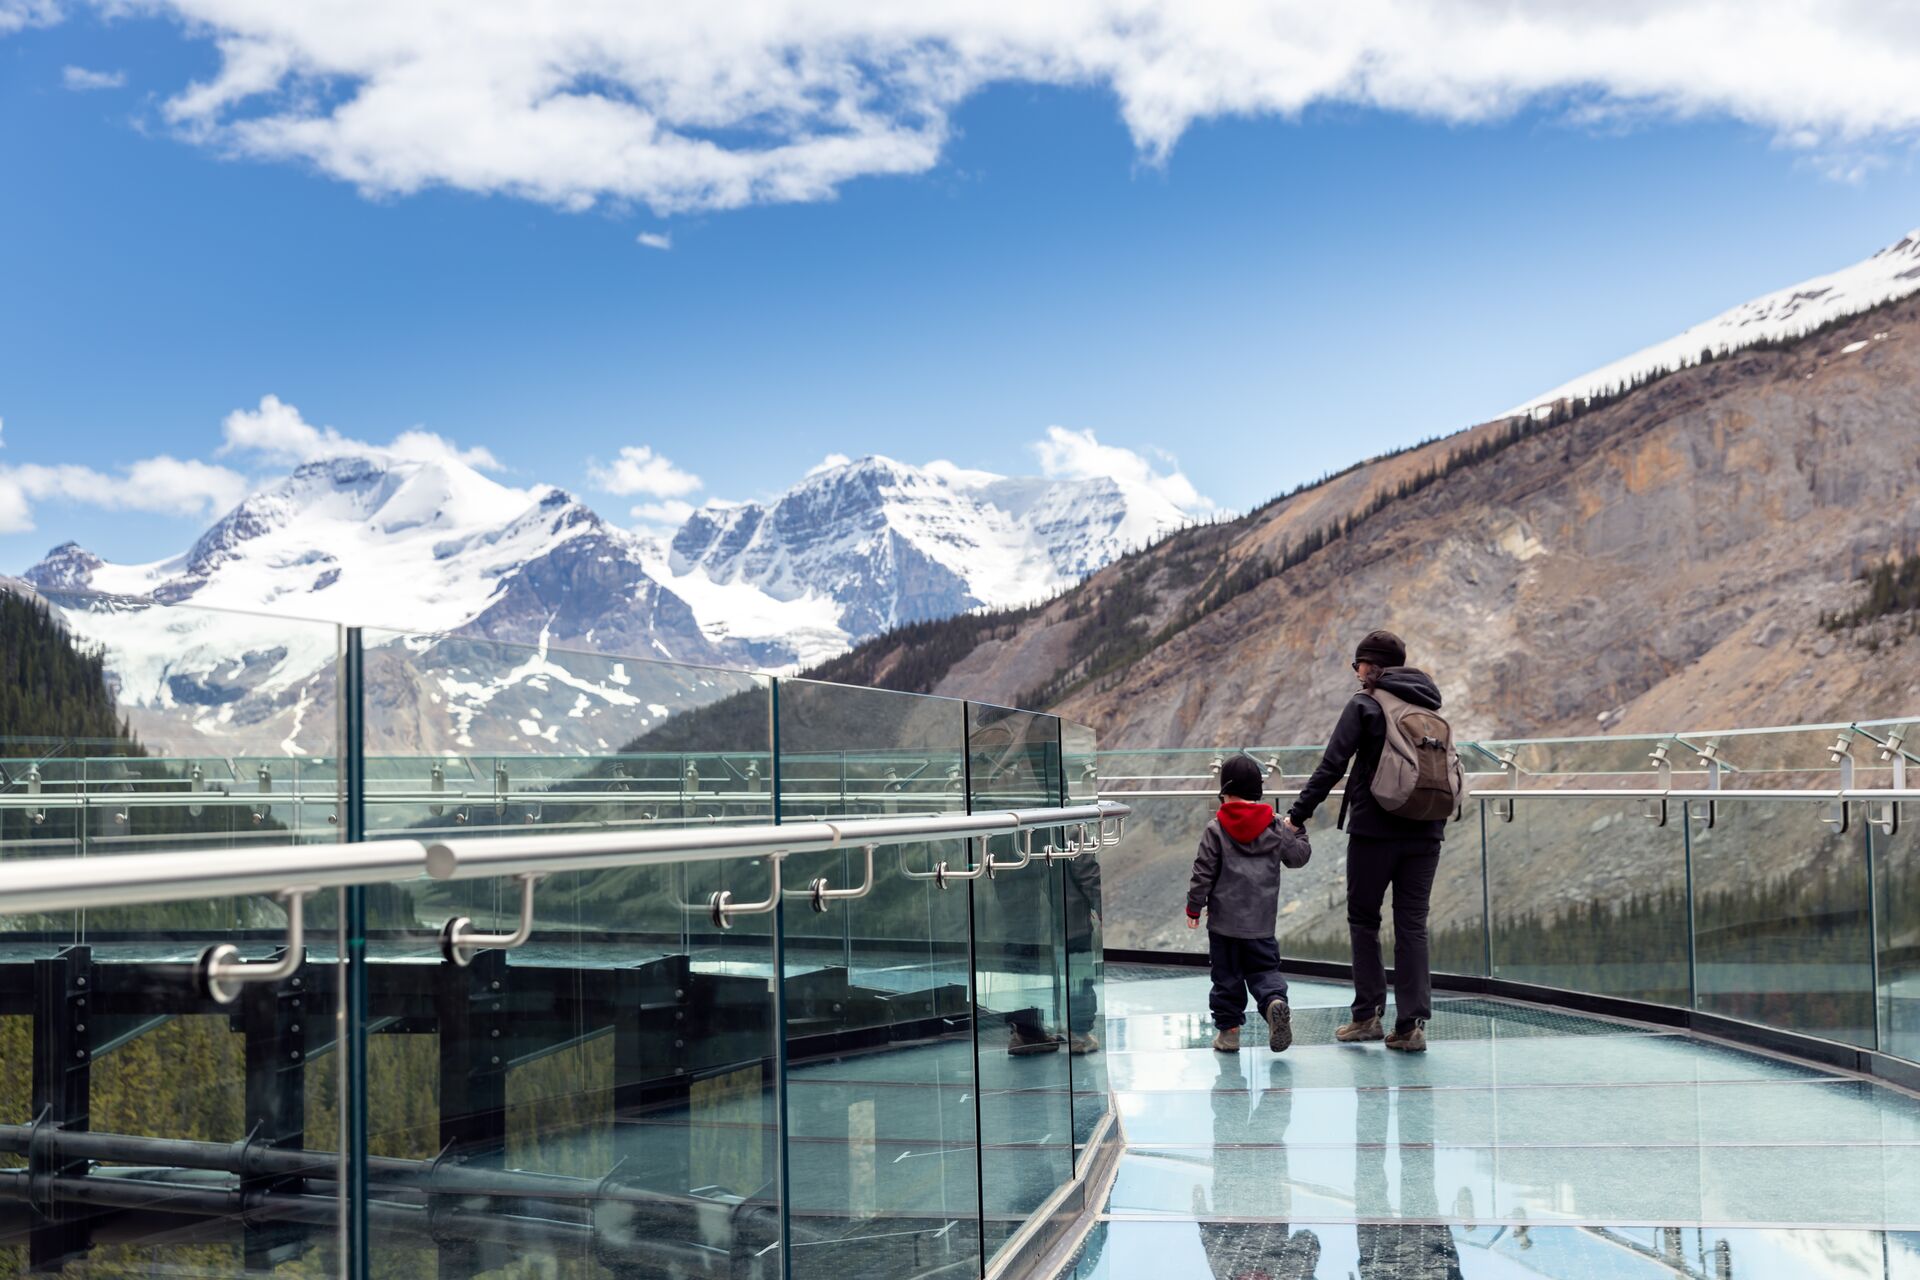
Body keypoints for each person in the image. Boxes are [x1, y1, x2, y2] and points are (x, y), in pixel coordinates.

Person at [1286, 629, 1447, 1052]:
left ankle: (1366, 1017)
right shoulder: (1428, 704)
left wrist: (1296, 816)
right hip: (1428, 831)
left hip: (1375, 832)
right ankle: (1410, 1026)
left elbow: (1332, 766)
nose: (1356, 673)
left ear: (1370, 666)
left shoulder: (1366, 704)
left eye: (1358, 664)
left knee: (1364, 920)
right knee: (1412, 926)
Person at [1186, 753, 1312, 1052]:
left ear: (1225, 792)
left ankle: (1228, 1034)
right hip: (1261, 925)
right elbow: (1298, 857)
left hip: (1223, 926)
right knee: (1264, 972)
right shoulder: (1276, 827)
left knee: (1226, 979)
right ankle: (1274, 1003)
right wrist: (1298, 829)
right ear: (1258, 791)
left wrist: (1194, 907)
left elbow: (1202, 871)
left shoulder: (1215, 828)